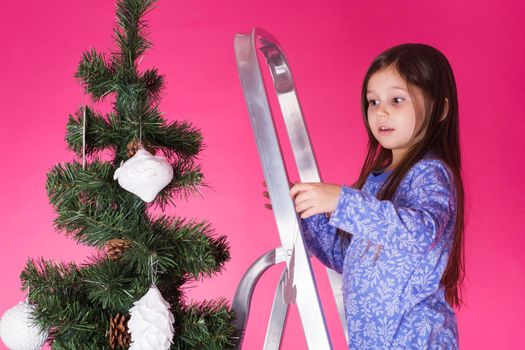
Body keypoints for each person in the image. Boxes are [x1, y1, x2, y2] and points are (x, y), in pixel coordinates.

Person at [264, 43, 465, 349]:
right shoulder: (378, 182)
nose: (381, 111)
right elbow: (349, 258)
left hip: (416, 339)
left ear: (440, 109)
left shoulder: (430, 173)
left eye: (397, 100)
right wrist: (304, 211)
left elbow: (421, 234)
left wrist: (341, 201)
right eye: (373, 102)